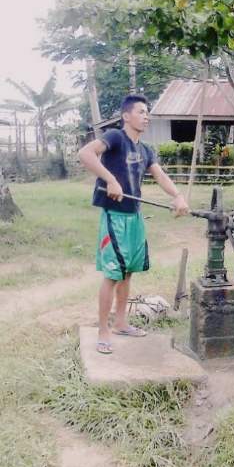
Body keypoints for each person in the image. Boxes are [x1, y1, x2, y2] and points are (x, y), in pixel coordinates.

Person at [78, 94, 189, 354]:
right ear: (126, 116)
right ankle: (103, 331)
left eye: (147, 112)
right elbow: (85, 154)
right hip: (114, 216)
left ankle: (120, 323)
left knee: (128, 271)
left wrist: (178, 196)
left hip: (134, 216)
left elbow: (160, 175)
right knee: (112, 274)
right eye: (141, 111)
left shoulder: (145, 149)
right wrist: (110, 180)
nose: (146, 116)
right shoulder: (116, 137)